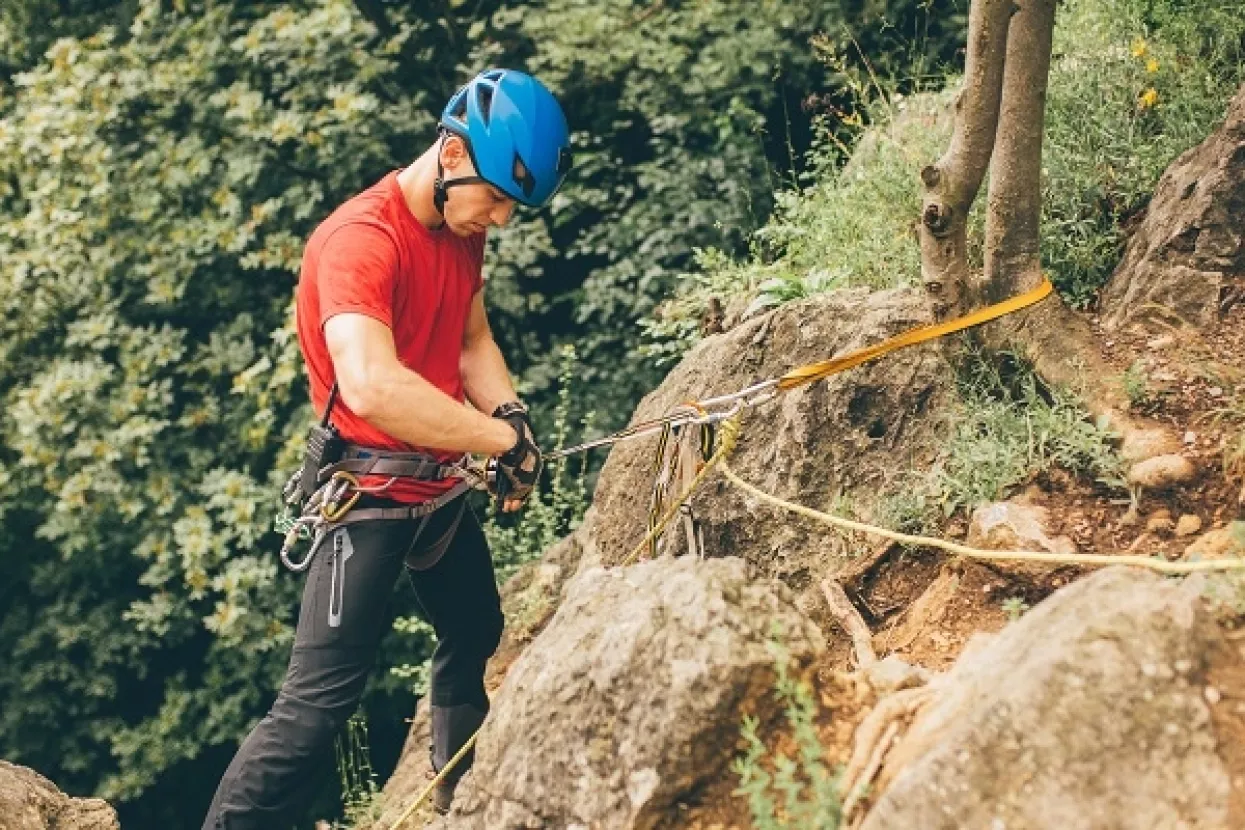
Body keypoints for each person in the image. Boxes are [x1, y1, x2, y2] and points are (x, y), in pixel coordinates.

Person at [201, 68, 573, 829]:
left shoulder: (457, 233)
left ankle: (458, 799)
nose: (501, 219)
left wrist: (513, 417)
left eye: (514, 205)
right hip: (364, 500)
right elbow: (372, 386)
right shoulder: (358, 243)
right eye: (498, 197)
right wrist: (495, 439)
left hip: (435, 491)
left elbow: (471, 341)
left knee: (475, 629)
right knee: (315, 709)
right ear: (452, 153)